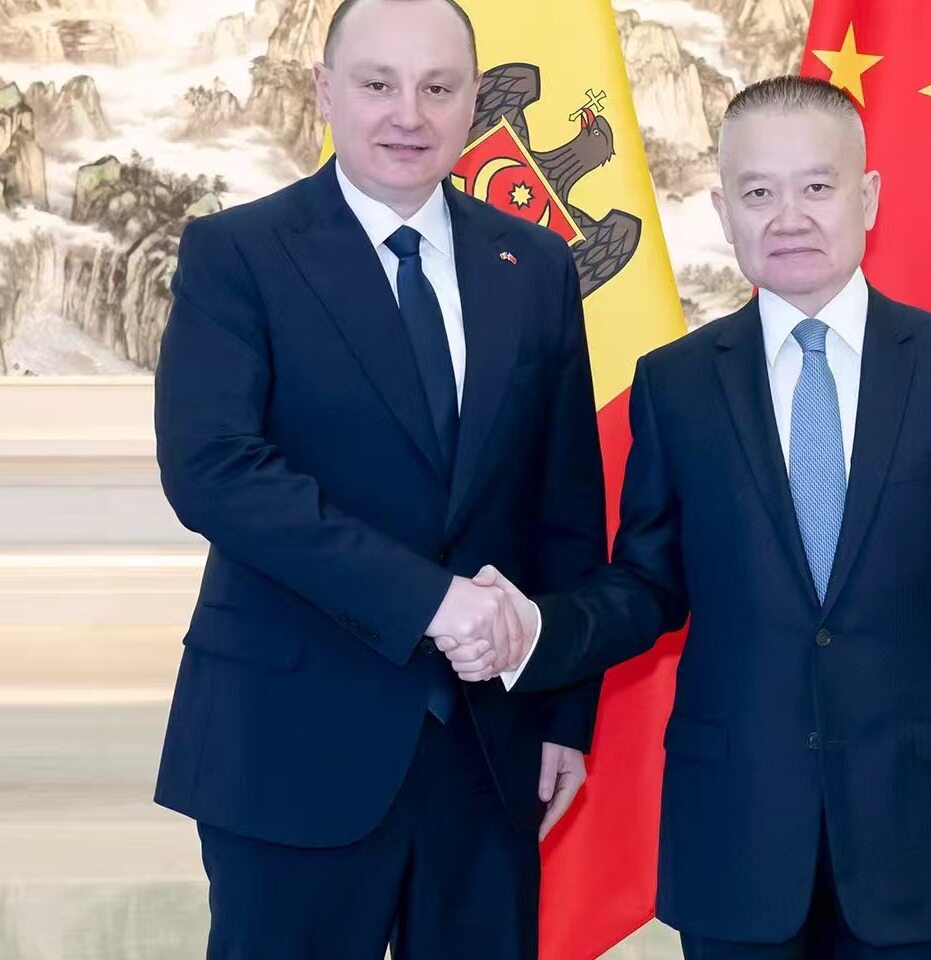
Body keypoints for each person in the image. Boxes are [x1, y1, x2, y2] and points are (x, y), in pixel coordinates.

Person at [443, 76, 931, 960]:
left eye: (818, 187)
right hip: (734, 833)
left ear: (868, 197)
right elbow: (648, 584)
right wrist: (539, 627)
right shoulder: (675, 383)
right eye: (759, 192)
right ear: (723, 212)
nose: (789, 217)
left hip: (918, 827)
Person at [151, 0, 604, 955]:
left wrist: (565, 709)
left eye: (438, 87)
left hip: (490, 753)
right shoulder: (237, 253)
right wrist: (432, 600)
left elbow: (564, 506)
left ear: (474, 99)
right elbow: (215, 471)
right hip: (291, 744)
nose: (409, 113)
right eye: (377, 84)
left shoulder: (534, 264)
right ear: (325, 91)